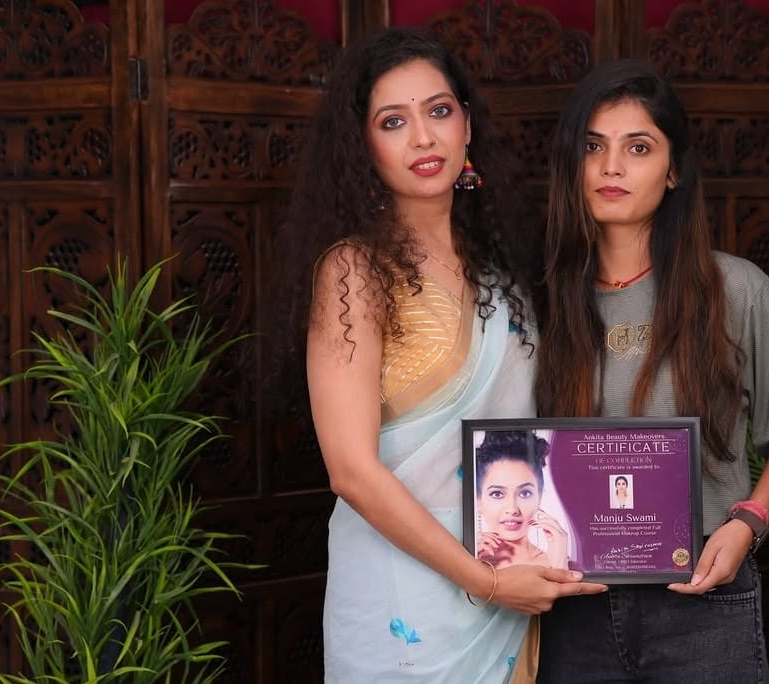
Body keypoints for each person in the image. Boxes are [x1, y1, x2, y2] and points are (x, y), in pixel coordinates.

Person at [273, 27, 604, 684]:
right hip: (405, 601)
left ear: (467, 126)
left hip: (512, 578)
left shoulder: (504, 271)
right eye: (393, 121)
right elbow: (352, 473)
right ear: (363, 144)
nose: (423, 137)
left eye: (439, 111)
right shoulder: (354, 273)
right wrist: (485, 581)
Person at [534, 59, 769, 682]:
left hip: (702, 596)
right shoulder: (538, 301)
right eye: (593, 146)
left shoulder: (734, 288)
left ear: (672, 172)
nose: (612, 167)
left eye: (638, 147)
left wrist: (749, 522)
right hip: (570, 603)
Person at [475, 430, 569, 569]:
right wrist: (468, 562)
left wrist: (559, 565)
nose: (512, 509)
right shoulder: (466, 559)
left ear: (539, 498)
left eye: (524, 493)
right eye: (497, 494)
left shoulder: (559, 562)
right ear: (478, 500)